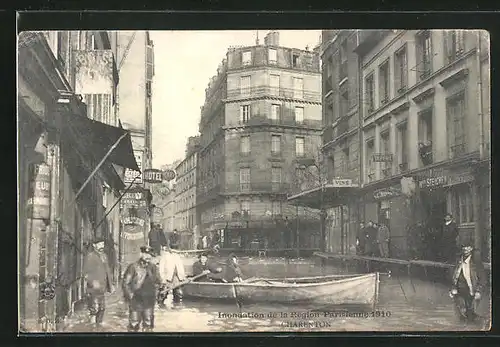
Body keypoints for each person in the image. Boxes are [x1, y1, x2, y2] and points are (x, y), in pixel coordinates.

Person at [122, 246, 162, 332]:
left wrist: (156, 294)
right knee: (133, 325)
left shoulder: (153, 268)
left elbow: (158, 282)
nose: (148, 256)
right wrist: (131, 297)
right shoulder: (133, 267)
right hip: (136, 300)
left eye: (150, 254)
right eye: (145, 254)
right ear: (141, 254)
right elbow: (125, 283)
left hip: (149, 300)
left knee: (148, 326)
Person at [449, 243, 487, 322]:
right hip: (460, 288)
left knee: (471, 311)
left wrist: (478, 291)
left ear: (471, 248)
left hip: (472, 289)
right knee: (461, 311)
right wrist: (452, 288)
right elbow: (453, 275)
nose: (466, 249)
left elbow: (483, 278)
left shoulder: (476, 262)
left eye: (468, 247)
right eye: (464, 247)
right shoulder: (458, 260)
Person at [82, 239, 114, 328]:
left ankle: (98, 327)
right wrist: (93, 282)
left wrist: (110, 285)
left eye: (103, 244)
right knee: (94, 309)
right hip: (93, 288)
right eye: (100, 244)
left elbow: (107, 271)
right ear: (94, 245)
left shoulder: (104, 256)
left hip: (102, 287)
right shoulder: (90, 257)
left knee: (102, 308)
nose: (102, 246)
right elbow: (85, 273)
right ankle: (92, 328)